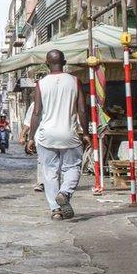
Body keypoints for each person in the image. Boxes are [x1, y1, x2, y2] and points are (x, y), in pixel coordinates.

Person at [27, 50, 90, 221]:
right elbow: (82, 110)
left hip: (46, 135)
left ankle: (55, 210)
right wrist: (85, 133)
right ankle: (65, 193)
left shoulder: (41, 84)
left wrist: (31, 137)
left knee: (50, 173)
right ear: (65, 62)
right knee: (72, 168)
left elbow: (36, 112)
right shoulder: (75, 81)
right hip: (69, 134)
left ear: (47, 64)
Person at [20, 101, 45, 192]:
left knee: (42, 160)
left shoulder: (36, 104)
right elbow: (28, 121)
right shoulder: (35, 104)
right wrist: (23, 135)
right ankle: (42, 182)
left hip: (43, 136)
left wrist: (27, 137)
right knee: (43, 159)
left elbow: (29, 121)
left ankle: (43, 183)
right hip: (43, 136)